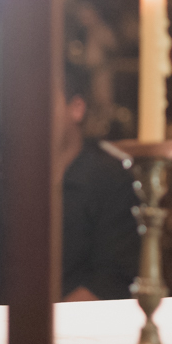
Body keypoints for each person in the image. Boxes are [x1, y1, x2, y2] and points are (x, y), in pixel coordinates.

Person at [57, 62, 141, 301]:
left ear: (77, 108)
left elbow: (112, 279)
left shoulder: (110, 180)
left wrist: (41, 330)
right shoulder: (6, 177)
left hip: (77, 327)